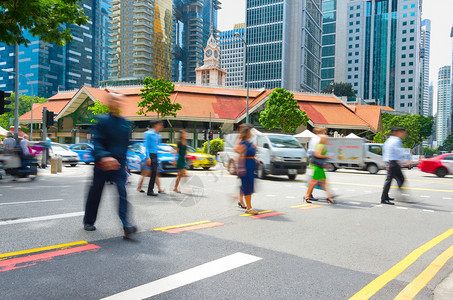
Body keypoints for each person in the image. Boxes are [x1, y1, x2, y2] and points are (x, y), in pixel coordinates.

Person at [83, 93, 137, 238]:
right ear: (109, 103)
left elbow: (124, 147)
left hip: (118, 165)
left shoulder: (125, 124)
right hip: (102, 164)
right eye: (113, 100)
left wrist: (124, 164)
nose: (116, 102)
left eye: (119, 100)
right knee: (96, 193)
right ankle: (89, 221)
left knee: (122, 192)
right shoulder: (102, 121)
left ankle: (126, 224)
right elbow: (97, 142)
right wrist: (105, 157)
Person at [381, 127, 408, 205]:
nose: (404, 135)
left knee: (397, 179)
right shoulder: (395, 140)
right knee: (390, 181)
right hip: (392, 162)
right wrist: (389, 163)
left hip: (392, 162)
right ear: (398, 132)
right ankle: (384, 199)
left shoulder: (390, 140)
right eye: (403, 133)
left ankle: (386, 196)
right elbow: (398, 152)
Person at [304, 135, 335, 204]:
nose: (328, 140)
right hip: (317, 167)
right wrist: (328, 156)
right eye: (327, 139)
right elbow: (317, 154)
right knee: (314, 182)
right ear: (324, 139)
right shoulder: (321, 146)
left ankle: (329, 197)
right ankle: (307, 196)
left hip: (319, 167)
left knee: (322, 182)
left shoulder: (320, 145)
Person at [235, 124, 258, 215]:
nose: (251, 133)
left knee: (248, 186)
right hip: (246, 167)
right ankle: (248, 207)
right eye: (250, 131)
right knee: (247, 186)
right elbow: (239, 152)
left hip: (251, 166)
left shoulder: (248, 142)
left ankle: (242, 201)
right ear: (246, 133)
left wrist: (254, 158)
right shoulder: (242, 143)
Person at [144, 120, 164, 196]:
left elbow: (157, 146)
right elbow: (146, 146)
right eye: (160, 125)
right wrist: (148, 157)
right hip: (150, 155)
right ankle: (150, 190)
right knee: (152, 173)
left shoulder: (158, 135)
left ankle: (150, 190)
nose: (161, 126)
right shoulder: (149, 134)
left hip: (155, 155)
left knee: (154, 173)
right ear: (155, 125)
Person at [306, 127, 326, 201]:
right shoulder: (316, 139)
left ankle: (308, 195)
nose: (323, 133)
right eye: (322, 131)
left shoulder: (315, 138)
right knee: (315, 179)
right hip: (315, 159)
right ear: (318, 132)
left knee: (315, 179)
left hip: (314, 158)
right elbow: (317, 151)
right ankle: (308, 195)